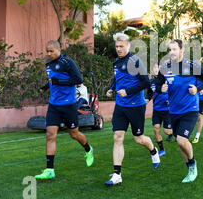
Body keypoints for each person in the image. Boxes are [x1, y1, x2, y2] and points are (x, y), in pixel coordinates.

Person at [105, 33, 159, 186]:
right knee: (117, 137)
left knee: (138, 138)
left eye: (121, 46)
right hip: (120, 106)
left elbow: (146, 83)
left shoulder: (135, 61)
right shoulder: (116, 62)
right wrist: (111, 88)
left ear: (128, 46)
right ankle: (117, 174)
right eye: (116, 46)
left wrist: (127, 91)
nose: (119, 49)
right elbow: (117, 79)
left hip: (136, 106)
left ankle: (153, 150)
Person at [35, 40, 94, 180]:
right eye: (47, 51)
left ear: (58, 50)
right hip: (54, 105)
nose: (49, 54)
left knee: (74, 134)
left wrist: (59, 83)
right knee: (50, 135)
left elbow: (78, 79)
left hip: (68, 105)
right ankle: (50, 170)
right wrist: (45, 87)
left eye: (51, 51)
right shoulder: (48, 65)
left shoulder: (68, 63)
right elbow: (52, 79)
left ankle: (88, 149)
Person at [154, 39, 203, 183]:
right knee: (180, 143)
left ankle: (192, 164)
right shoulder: (165, 68)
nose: (171, 52)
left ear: (181, 50)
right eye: (169, 49)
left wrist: (197, 89)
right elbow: (157, 84)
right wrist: (161, 89)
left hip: (190, 109)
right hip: (173, 111)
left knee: (181, 139)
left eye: (174, 49)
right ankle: (189, 167)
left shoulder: (191, 66)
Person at [147, 62, 173, 156]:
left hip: (167, 110)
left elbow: (174, 91)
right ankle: (162, 149)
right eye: (153, 68)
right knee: (156, 129)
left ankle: (172, 132)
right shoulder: (151, 82)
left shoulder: (167, 79)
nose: (155, 69)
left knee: (167, 131)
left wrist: (171, 100)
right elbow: (150, 94)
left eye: (157, 68)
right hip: (156, 110)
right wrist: (146, 100)